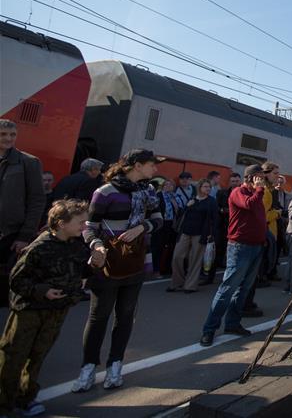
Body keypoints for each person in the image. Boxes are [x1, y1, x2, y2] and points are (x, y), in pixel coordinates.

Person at [0, 200, 103, 417]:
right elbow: (16, 279)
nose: (85, 226)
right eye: (80, 222)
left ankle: (26, 398)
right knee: (13, 356)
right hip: (30, 310)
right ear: (61, 223)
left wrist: (96, 263)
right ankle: (4, 403)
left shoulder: (75, 246)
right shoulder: (39, 247)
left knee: (38, 355)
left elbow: (81, 274)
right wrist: (42, 290)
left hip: (56, 311)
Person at [73, 149, 163, 393]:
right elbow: (89, 227)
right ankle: (88, 366)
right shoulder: (104, 192)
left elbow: (158, 218)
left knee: (125, 315)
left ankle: (115, 365)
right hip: (107, 260)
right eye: (152, 165)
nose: (155, 169)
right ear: (137, 165)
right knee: (98, 315)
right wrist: (96, 244)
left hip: (135, 259)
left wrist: (142, 227)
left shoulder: (149, 191)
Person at [199, 165, 267, 347]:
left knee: (243, 289)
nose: (262, 182)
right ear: (251, 178)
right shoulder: (239, 192)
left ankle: (233, 324)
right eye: (259, 178)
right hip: (240, 246)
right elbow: (249, 205)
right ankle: (209, 329)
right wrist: (259, 190)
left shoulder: (257, 195)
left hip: (255, 246)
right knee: (228, 287)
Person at [0, 120, 45, 270]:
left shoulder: (29, 162)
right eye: (3, 134)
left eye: (12, 134)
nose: (8, 138)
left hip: (9, 236)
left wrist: (25, 236)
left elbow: (37, 200)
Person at [168, 179, 217, 293]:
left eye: (209, 187)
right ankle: (177, 283)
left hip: (200, 234)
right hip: (185, 232)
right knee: (177, 257)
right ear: (199, 188)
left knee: (194, 260)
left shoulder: (212, 201)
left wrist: (212, 234)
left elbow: (214, 220)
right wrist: (187, 206)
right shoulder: (192, 199)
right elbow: (182, 215)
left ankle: (190, 286)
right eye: (205, 186)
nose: (208, 189)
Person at [202, 172, 241, 286]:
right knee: (216, 253)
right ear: (230, 182)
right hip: (222, 227)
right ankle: (210, 277)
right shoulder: (222, 193)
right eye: (233, 181)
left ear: (240, 182)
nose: (234, 183)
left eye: (236, 181)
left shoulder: (244, 194)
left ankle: (231, 279)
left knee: (234, 255)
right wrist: (224, 211)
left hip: (237, 229)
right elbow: (217, 208)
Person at [151, 179, 178, 276]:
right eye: (166, 184)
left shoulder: (174, 196)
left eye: (170, 185)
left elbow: (178, 210)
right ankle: (156, 269)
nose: (168, 186)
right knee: (157, 246)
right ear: (162, 186)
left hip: (171, 224)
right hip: (160, 223)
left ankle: (167, 268)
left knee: (169, 246)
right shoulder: (158, 195)